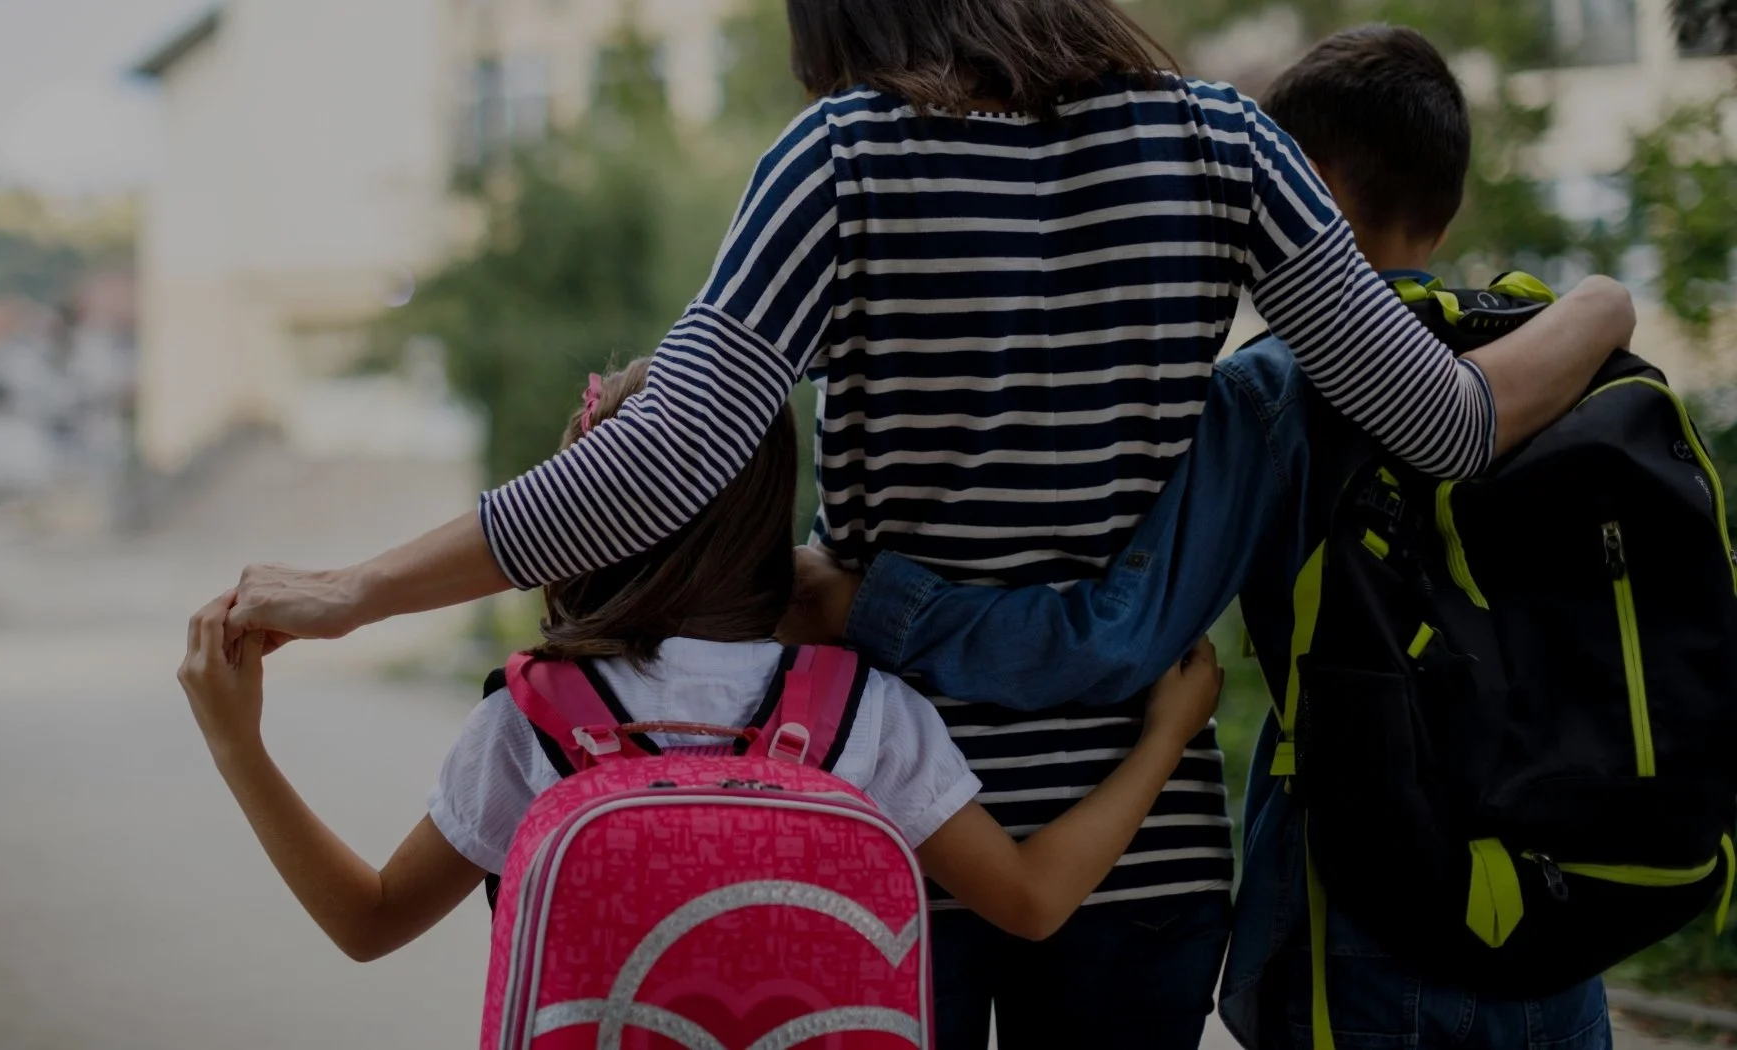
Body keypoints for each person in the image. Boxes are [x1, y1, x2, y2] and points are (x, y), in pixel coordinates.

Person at [219, 4, 1634, 1045]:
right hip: (1144, 849)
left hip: (885, 816)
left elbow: (664, 459)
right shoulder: (1226, 144)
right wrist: (1602, 308)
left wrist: (353, 589)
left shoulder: (841, 156)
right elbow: (1443, 421)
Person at [780, 26, 1619, 1049]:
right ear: (1438, 216)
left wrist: (865, 602)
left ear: (1301, 187)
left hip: (1359, 899)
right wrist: (1603, 303)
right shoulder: (1560, 370)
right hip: (1558, 898)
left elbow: (1115, 635)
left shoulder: (1272, 399)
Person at [178, 360, 1229, 972]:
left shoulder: (533, 721)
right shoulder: (861, 712)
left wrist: (238, 743)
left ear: (579, 519)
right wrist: (1163, 742)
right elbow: (1033, 903)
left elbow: (366, 924)